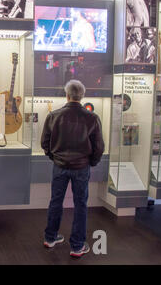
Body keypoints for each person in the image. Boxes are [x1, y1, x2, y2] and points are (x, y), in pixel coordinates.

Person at [41, 80, 105, 258]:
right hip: (81, 166)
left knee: (55, 201)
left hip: (59, 166)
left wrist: (55, 157)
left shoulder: (54, 116)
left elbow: (44, 143)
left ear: (67, 95)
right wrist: (91, 162)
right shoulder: (92, 118)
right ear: (82, 96)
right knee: (81, 205)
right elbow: (99, 146)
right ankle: (77, 246)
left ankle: (50, 237)